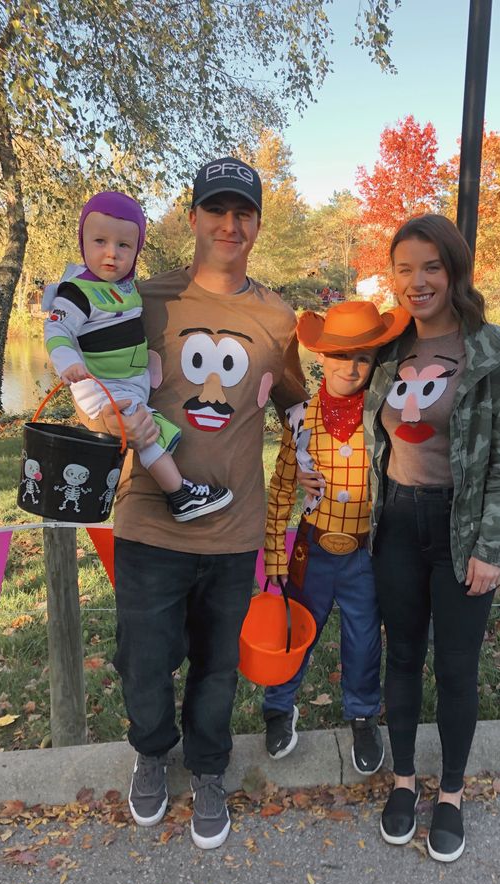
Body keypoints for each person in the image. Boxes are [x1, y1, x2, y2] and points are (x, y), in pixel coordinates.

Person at [90, 158, 307, 848]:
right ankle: (153, 752)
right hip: (150, 521)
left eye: (242, 213)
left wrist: (310, 451)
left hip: (234, 530)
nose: (229, 224)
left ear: (257, 225)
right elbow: (95, 375)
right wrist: (105, 416)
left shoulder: (277, 316)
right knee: (144, 661)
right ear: (192, 220)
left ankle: (209, 767)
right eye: (215, 210)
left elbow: (293, 399)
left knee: (217, 668)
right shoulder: (142, 298)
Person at [365, 214, 500, 861]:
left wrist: (493, 544)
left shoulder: (491, 350)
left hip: (462, 529)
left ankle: (452, 793)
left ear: (454, 269)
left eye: (430, 266)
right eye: (404, 268)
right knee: (402, 656)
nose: (417, 280)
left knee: (457, 667)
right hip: (398, 524)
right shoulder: (387, 347)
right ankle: (404, 781)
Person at [262, 301, 407, 773]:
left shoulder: (383, 418)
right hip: (313, 547)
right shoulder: (300, 417)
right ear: (321, 357)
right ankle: (279, 707)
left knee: (364, 637)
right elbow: (282, 485)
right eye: (341, 356)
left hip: (365, 549)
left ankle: (363, 715)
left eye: (364, 357)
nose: (352, 367)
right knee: (295, 628)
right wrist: (273, 553)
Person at [44, 191, 231, 522]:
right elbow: (57, 331)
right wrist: (68, 363)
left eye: (124, 246)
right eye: (99, 241)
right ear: (82, 241)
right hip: (101, 386)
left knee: (149, 426)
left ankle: (179, 490)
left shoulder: (128, 287)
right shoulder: (77, 292)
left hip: (130, 383)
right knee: (145, 432)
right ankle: (180, 494)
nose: (111, 254)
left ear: (137, 249)